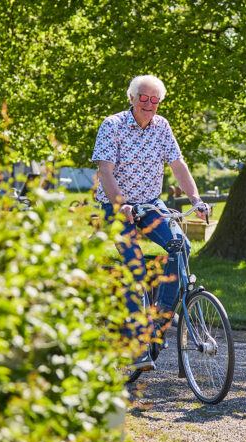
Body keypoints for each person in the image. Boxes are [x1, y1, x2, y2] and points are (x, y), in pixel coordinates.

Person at [91, 74, 210, 370]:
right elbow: (105, 172)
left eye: (154, 99)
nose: (149, 104)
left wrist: (196, 200)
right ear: (131, 98)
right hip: (115, 205)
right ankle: (135, 343)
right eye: (143, 98)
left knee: (179, 246)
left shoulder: (162, 126)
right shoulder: (113, 125)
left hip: (150, 204)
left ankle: (159, 320)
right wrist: (121, 206)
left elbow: (178, 165)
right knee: (135, 265)